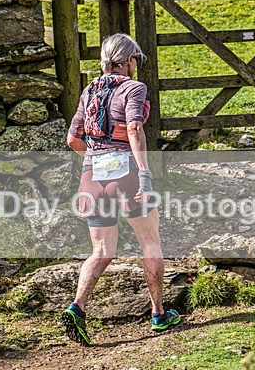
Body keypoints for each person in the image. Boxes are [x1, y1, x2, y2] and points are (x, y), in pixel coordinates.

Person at [61, 33, 182, 346]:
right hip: (126, 173)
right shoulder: (134, 87)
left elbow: (73, 139)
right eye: (135, 60)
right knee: (150, 242)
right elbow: (134, 128)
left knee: (101, 251)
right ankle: (158, 313)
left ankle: (77, 307)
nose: (136, 66)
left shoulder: (89, 90)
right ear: (129, 60)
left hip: (91, 177)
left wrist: (95, 160)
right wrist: (144, 174)